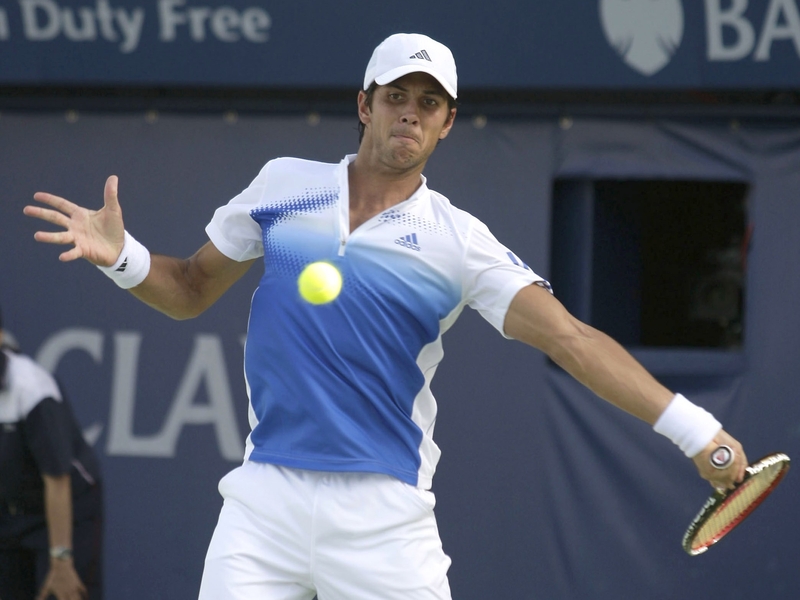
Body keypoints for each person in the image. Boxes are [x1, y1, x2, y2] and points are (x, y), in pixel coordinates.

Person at [24, 32, 747, 600]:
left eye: (429, 103)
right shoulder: (284, 186)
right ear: (365, 104)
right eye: (397, 94)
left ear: (446, 124)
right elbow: (187, 287)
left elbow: (569, 337)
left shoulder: (458, 241)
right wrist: (122, 258)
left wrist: (696, 431)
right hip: (263, 499)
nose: (411, 111)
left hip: (383, 518)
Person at [0, 306, 103, 600]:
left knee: (62, 593)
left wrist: (61, 559)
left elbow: (58, 480)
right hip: (9, 511)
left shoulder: (32, 390)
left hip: (67, 510)